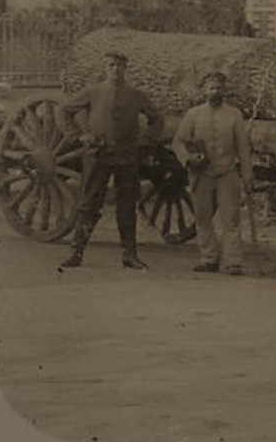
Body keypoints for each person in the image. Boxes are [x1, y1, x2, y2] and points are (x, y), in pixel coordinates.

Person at [59, 51, 165, 271]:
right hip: (98, 155)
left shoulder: (136, 95)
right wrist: (79, 136)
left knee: (127, 206)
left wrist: (145, 140)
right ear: (105, 68)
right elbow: (64, 111)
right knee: (89, 204)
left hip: (127, 158)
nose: (115, 70)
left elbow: (157, 118)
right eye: (111, 65)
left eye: (119, 66)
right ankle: (76, 253)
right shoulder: (94, 92)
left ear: (126, 68)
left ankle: (130, 255)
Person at [172, 71, 254, 275]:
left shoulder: (234, 115)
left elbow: (243, 147)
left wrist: (247, 173)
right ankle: (209, 258)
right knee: (203, 218)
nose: (215, 92)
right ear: (203, 90)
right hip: (202, 174)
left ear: (224, 90)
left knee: (231, 218)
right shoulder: (193, 115)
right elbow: (178, 141)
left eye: (219, 88)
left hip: (227, 172)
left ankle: (233, 262)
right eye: (211, 88)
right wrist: (188, 158)